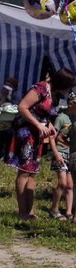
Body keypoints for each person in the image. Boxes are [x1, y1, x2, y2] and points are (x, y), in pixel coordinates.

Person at [5, 69, 76, 221]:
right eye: (68, 86)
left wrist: (48, 124)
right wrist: (38, 124)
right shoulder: (41, 88)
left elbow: (43, 114)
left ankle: (29, 212)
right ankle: (22, 212)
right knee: (24, 172)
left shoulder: (54, 94)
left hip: (38, 135)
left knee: (33, 173)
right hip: (26, 133)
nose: (68, 90)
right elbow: (23, 107)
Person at [48, 90, 76, 220]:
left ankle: (69, 211)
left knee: (70, 185)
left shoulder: (74, 118)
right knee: (62, 183)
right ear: (70, 103)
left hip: (70, 153)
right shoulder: (61, 117)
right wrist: (56, 153)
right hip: (60, 152)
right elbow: (52, 137)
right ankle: (54, 209)